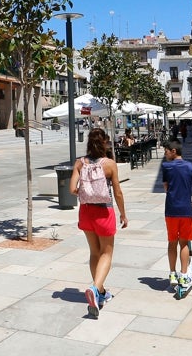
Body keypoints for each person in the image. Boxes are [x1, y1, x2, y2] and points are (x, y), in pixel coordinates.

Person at [70, 127, 128, 317]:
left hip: (86, 212)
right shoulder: (109, 164)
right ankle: (95, 288)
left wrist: (86, 193)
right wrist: (123, 214)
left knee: (94, 252)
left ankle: (101, 292)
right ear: (104, 142)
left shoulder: (80, 163)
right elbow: (117, 192)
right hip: (104, 211)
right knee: (107, 253)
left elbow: (72, 189)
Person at [160, 140, 192, 294]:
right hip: (186, 210)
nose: (165, 153)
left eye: (166, 151)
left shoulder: (166, 167)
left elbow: (166, 187)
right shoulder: (189, 166)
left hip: (171, 210)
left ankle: (172, 274)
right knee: (184, 243)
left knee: (172, 242)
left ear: (174, 151)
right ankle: (184, 274)